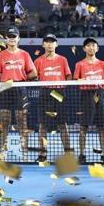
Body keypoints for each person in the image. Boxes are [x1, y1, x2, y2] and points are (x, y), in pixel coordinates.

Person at [0, 26, 37, 160]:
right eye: (9, 37)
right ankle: (3, 149)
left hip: (19, 86)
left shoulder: (24, 54)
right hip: (6, 87)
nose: (12, 39)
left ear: (18, 39)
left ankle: (24, 150)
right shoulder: (0, 55)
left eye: (14, 37)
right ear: (6, 39)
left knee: (21, 120)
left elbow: (34, 73)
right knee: (4, 120)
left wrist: (22, 80)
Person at [33, 34, 72, 162]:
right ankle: (42, 155)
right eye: (47, 42)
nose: (49, 44)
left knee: (62, 124)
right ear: (43, 44)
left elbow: (68, 76)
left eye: (52, 42)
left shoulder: (63, 60)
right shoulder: (38, 61)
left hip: (59, 93)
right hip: (45, 92)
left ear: (56, 44)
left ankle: (68, 154)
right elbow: (34, 77)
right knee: (43, 125)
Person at [74, 37, 104, 165]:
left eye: (93, 45)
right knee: (83, 127)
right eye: (88, 45)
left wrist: (99, 83)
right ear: (84, 48)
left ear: (97, 48)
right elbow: (75, 80)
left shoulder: (103, 64)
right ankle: (81, 154)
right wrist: (84, 81)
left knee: (101, 127)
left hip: (100, 94)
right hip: (86, 95)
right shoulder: (79, 64)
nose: (91, 47)